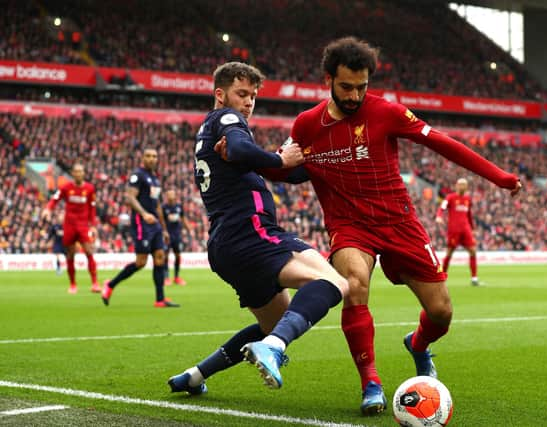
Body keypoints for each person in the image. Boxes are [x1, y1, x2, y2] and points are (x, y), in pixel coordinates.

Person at [226, 37, 521, 415]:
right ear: (329, 80)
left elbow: (443, 143)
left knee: (441, 311)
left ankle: (416, 344)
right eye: (346, 87)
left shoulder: (389, 113)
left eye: (362, 87)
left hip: (399, 221)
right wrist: (236, 157)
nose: (354, 95)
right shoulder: (306, 125)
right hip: (349, 225)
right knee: (353, 284)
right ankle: (371, 382)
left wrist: (499, 177)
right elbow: (281, 167)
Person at [167, 62, 348, 395]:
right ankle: (272, 347)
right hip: (252, 233)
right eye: (241, 94)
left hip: (226, 246)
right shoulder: (226, 119)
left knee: (273, 327)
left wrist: (320, 161)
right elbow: (242, 149)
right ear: (219, 95)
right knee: (334, 281)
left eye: (252, 96)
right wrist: (279, 159)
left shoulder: (212, 133)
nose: (248, 102)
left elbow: (277, 167)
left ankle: (194, 376)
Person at [101, 148, 178, 308]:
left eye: (154, 156)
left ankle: (160, 299)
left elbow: (157, 205)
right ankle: (110, 285)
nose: (152, 159)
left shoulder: (155, 179)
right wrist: (143, 214)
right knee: (141, 262)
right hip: (141, 221)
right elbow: (130, 197)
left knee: (160, 257)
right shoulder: (138, 175)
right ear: (143, 158)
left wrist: (163, 228)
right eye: (148, 156)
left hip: (155, 224)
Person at [42, 163, 100, 294]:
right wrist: (48, 209)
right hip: (69, 225)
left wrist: (93, 225)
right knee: (70, 254)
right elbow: (55, 198)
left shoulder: (90, 189)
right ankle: (73, 284)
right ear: (73, 173)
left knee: (89, 251)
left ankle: (95, 283)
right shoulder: (66, 187)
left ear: (84, 173)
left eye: (81, 171)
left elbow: (92, 208)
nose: (79, 174)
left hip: (83, 225)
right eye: (76, 171)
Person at [436, 178, 481, 286]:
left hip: (466, 230)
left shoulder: (468, 199)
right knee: (449, 253)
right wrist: (438, 216)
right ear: (456, 185)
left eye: (464, 185)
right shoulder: (450, 197)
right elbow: (442, 208)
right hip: (454, 230)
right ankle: (441, 277)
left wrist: (473, 229)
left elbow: (469, 215)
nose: (462, 186)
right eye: (460, 184)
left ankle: (474, 278)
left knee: (473, 251)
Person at [162, 188, 191, 286]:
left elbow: (183, 218)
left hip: (177, 235)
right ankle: (166, 278)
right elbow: (161, 221)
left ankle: (176, 277)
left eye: (172, 194)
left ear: (175, 196)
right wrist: (163, 232)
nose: (170, 196)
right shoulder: (163, 207)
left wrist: (189, 229)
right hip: (167, 235)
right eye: (169, 194)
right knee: (165, 256)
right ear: (166, 197)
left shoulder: (179, 207)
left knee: (178, 255)